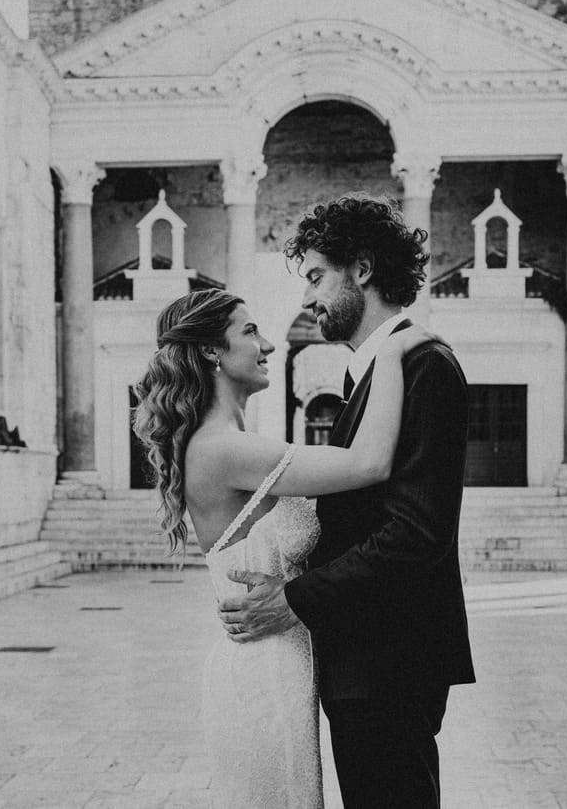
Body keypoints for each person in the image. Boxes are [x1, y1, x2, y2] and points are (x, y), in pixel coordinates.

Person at [132, 286, 437, 809]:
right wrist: (390, 351)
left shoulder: (233, 442)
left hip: (284, 664)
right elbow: (369, 464)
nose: (269, 344)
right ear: (211, 351)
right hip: (263, 676)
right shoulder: (223, 449)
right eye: (250, 331)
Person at [219, 195, 475, 809]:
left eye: (316, 277)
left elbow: (416, 533)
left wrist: (295, 600)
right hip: (364, 655)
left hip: (391, 659)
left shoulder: (425, 366)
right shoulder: (371, 372)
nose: (308, 298)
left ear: (362, 269)